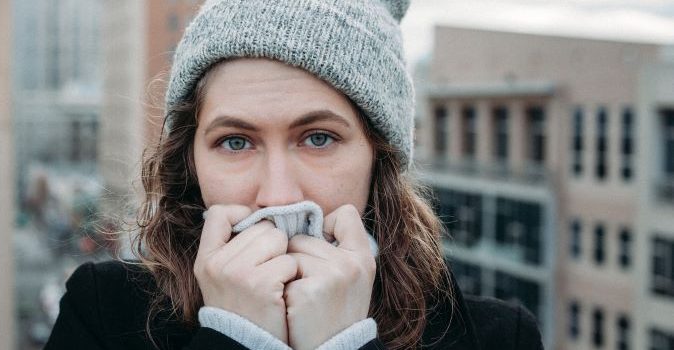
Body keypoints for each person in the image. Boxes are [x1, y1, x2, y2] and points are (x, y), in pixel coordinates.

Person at [44, 0, 544, 349]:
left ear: (380, 158)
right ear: (189, 162)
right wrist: (234, 339)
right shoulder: (104, 313)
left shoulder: (497, 337)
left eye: (319, 138)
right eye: (236, 142)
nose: (278, 194)